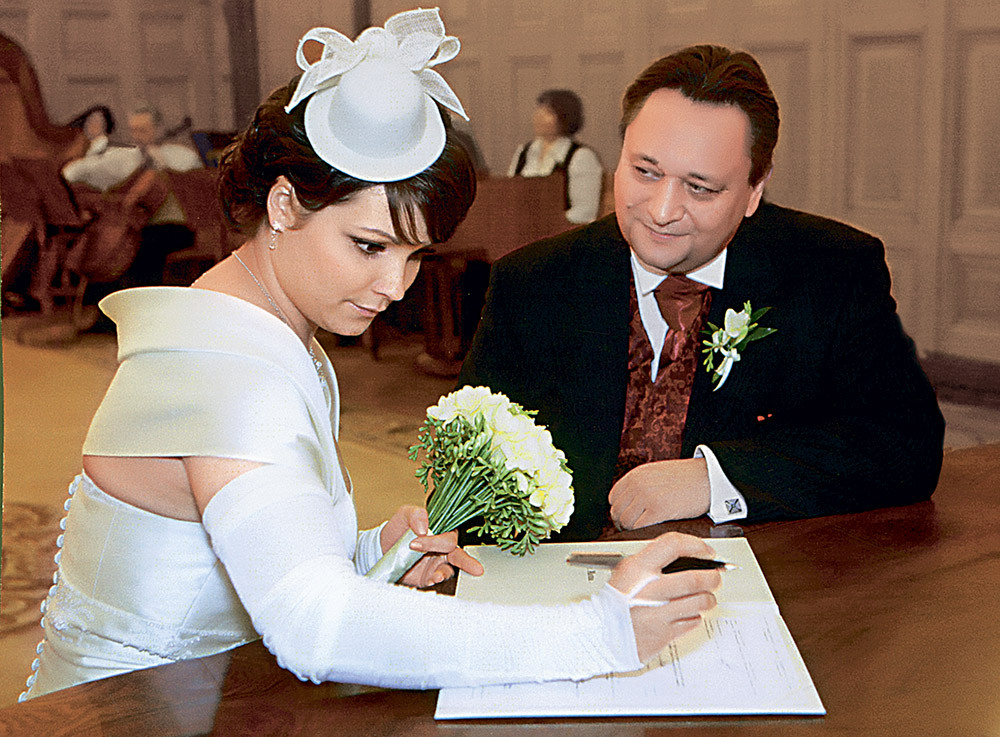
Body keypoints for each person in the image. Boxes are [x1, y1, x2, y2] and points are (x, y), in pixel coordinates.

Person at [20, 10, 721, 701]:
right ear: (284, 206)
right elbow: (312, 624)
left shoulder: (246, 320)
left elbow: (236, 552)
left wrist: (367, 552)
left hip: (204, 693)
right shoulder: (230, 370)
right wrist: (595, 633)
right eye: (369, 246)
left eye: (414, 255)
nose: (395, 285)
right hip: (127, 712)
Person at [458, 44, 945, 542]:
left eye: (701, 188)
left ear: (755, 189)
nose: (662, 210)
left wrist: (714, 479)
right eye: (645, 172)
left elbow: (905, 445)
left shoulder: (831, 272)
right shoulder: (534, 281)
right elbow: (471, 471)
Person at [508, 89, 603, 224]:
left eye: (548, 112)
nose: (539, 116)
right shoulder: (524, 152)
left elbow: (585, 211)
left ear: (565, 118)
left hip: (563, 232)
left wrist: (547, 223)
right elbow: (509, 194)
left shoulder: (581, 156)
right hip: (521, 228)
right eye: (539, 110)